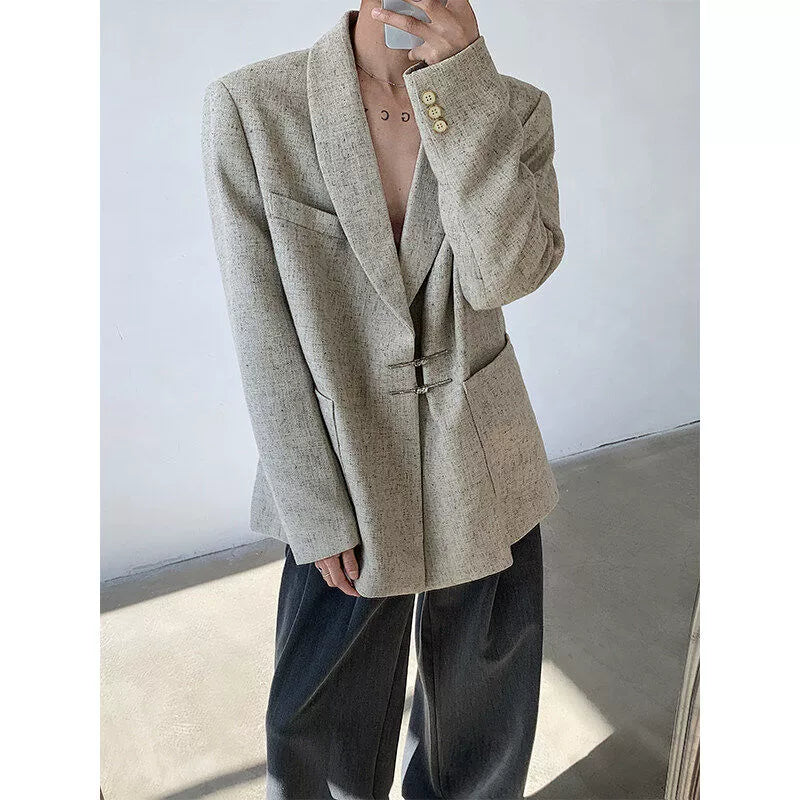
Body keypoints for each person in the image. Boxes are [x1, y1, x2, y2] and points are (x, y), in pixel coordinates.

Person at [202, 1, 565, 797]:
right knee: (317, 726)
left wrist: (463, 90)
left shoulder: (514, 110)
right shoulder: (254, 107)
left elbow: (502, 275)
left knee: (483, 716)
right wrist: (313, 506)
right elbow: (261, 326)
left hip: (483, 452)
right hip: (342, 460)